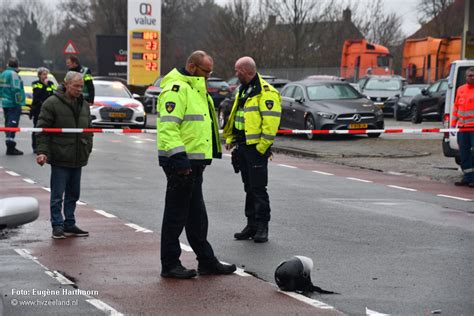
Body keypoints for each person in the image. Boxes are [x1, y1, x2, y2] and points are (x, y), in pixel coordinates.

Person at [157, 50, 236, 279]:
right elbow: (168, 128)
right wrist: (180, 161)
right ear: (192, 67)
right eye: (206, 71)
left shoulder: (196, 89)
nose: (209, 76)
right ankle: (170, 264)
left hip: (193, 163)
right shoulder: (177, 89)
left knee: (196, 216)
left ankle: (206, 260)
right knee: (176, 216)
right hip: (181, 163)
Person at [223, 56, 281, 243]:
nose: (235, 73)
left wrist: (261, 148)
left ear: (247, 70)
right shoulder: (244, 90)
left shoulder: (266, 93)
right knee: (248, 188)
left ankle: (262, 226)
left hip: (255, 149)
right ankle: (251, 224)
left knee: (258, 189)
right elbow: (237, 116)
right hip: (242, 146)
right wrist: (231, 138)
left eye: (237, 70)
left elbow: (270, 124)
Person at [36, 71, 93, 239]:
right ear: (66, 84)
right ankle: (57, 225)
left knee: (73, 194)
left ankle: (69, 223)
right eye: (76, 86)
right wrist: (42, 152)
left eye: (81, 87)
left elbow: (89, 129)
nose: (79, 90)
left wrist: (88, 147)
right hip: (60, 157)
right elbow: (42, 130)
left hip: (78, 156)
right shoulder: (51, 103)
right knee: (57, 195)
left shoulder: (84, 104)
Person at [451, 67, 474, 188]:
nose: (472, 77)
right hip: (462, 128)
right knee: (463, 154)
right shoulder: (461, 89)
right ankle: (468, 177)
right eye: (470, 75)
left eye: (473, 75)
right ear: (466, 77)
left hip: (473, 129)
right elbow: (456, 108)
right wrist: (452, 125)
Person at [0, 57, 25, 155]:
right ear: (17, 65)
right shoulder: (13, 74)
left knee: (8, 123)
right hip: (13, 103)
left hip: (5, 102)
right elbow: (16, 89)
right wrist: (18, 103)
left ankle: (9, 144)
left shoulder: (3, 74)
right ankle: (10, 146)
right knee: (13, 124)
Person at [30, 67, 56, 153]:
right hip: (38, 109)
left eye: (46, 74)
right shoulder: (35, 83)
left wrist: (47, 85)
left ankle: (47, 146)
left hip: (48, 109)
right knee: (36, 128)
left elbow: (52, 94)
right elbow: (37, 94)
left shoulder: (51, 83)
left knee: (48, 128)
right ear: (39, 75)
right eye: (44, 74)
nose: (46, 76)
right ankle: (35, 146)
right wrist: (44, 86)